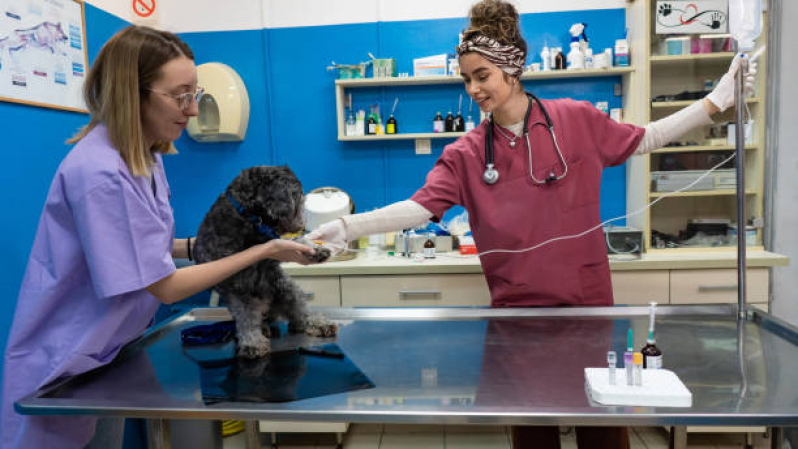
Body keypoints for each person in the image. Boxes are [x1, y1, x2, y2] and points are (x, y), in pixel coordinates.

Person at [307, 0, 756, 447]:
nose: (473, 89)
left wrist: (717, 101)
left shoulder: (576, 120)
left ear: (512, 68)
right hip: (519, 322)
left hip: (588, 314)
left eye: (482, 75)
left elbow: (648, 138)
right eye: (466, 79)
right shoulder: (465, 154)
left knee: (602, 435)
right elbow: (420, 208)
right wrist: (346, 227)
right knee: (533, 437)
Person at [1, 25, 319, 449]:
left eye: (196, 94)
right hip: (65, 364)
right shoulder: (100, 173)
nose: (192, 110)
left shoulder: (145, 157)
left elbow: (130, 245)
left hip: (107, 354)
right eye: (180, 95)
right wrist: (264, 249)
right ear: (133, 92)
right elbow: (165, 285)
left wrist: (197, 246)